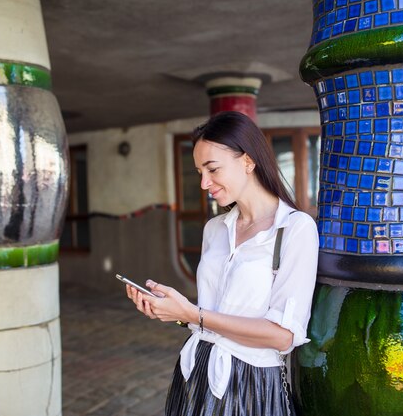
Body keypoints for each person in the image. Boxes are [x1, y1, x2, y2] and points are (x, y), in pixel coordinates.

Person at [126, 111, 319, 416]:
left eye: (213, 169)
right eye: (199, 171)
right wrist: (174, 313)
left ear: (247, 161)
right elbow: (209, 318)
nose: (204, 182)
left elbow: (283, 335)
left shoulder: (295, 229)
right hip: (195, 372)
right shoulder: (215, 228)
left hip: (251, 383)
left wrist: (193, 313)